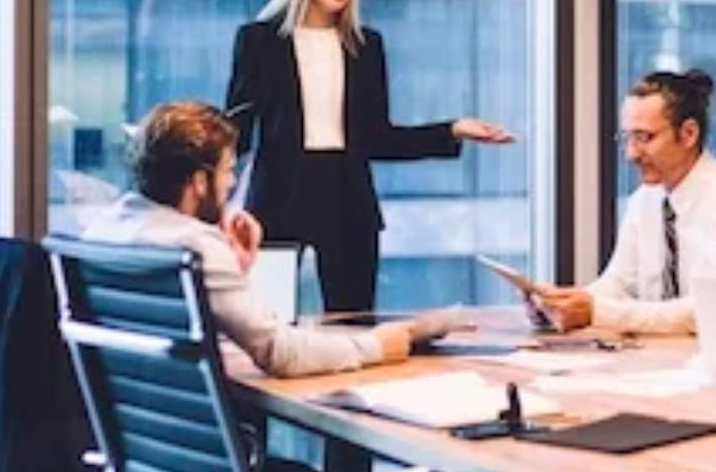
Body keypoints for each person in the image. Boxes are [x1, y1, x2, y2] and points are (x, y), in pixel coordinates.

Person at [225, 0, 514, 313]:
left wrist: (453, 130)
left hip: (347, 197)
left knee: (352, 322)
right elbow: (236, 132)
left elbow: (378, 137)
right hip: (276, 199)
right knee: (266, 320)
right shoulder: (258, 41)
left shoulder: (366, 46)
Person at [82, 100, 450, 379]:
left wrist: (238, 268)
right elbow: (280, 353)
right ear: (198, 181)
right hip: (212, 467)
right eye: (227, 171)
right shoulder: (195, 249)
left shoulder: (103, 230)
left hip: (145, 456)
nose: (231, 184)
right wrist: (376, 345)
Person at [534, 69, 716, 335]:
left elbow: (711, 311)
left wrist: (596, 312)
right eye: (627, 138)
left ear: (688, 134)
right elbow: (619, 284)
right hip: (659, 356)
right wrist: (560, 305)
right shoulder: (646, 199)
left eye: (644, 138)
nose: (630, 154)